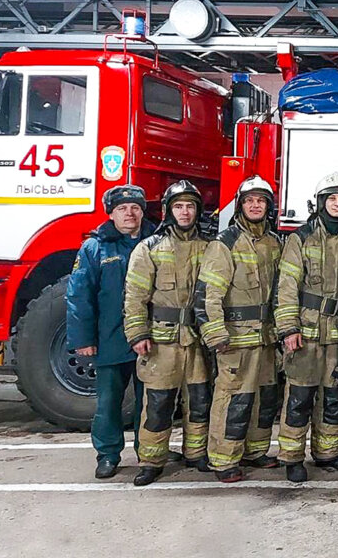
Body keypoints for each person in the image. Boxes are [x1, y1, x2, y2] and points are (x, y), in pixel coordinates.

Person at [123, 180, 213, 486]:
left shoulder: (210, 248)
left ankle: (196, 453)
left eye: (190, 206)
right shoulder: (148, 248)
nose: (185, 212)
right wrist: (137, 333)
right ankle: (151, 460)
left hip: (198, 340)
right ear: (167, 211)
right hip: (161, 342)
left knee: (199, 401)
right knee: (159, 404)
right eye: (178, 206)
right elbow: (134, 295)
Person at [195, 175, 282, 483]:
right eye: (249, 200)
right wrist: (216, 334)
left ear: (268, 206)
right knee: (233, 399)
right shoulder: (225, 243)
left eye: (261, 201)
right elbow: (209, 294)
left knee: (263, 398)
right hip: (235, 340)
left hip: (267, 339)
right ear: (240, 206)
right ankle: (223, 459)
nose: (255, 205)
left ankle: (255, 452)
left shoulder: (274, 242)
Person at [274, 172, 338, 483]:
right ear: (321, 203)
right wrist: (288, 328)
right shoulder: (301, 238)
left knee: (333, 397)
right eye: (331, 199)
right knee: (299, 397)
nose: (337, 204)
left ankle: (327, 453)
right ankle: (292, 457)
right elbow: (286, 285)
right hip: (305, 334)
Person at [68, 184, 156, 479]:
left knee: (150, 402)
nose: (129, 214)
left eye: (135, 208)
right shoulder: (95, 247)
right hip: (111, 338)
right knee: (108, 402)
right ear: (112, 214)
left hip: (151, 339)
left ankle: (150, 453)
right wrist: (83, 339)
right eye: (122, 209)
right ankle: (107, 454)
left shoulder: (157, 243)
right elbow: (80, 295)